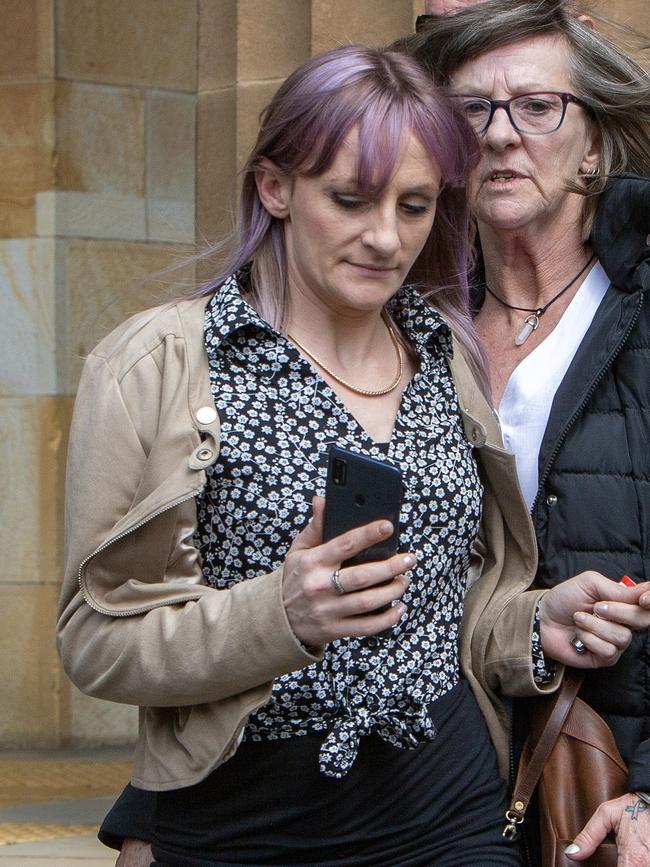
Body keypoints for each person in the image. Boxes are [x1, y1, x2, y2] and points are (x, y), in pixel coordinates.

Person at [57, 42, 647, 867]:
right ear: (275, 187)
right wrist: (281, 616)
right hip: (241, 819)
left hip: (448, 809)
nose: (385, 237)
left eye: (414, 206)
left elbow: (452, 608)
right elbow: (94, 638)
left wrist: (535, 619)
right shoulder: (157, 363)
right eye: (351, 199)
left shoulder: (444, 353)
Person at [399, 0, 650, 862]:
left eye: (538, 107)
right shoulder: (406, 320)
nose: (501, 135)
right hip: (429, 801)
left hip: (604, 788)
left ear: (593, 144)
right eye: (473, 110)